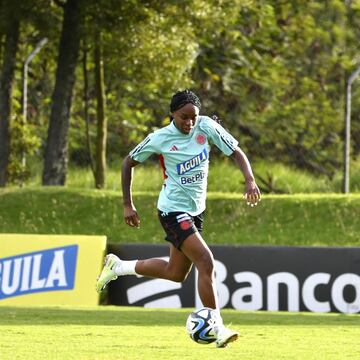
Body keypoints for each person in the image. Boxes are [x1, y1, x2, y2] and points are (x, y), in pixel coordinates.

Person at [96, 89, 261, 348]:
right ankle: (217, 328)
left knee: (175, 273)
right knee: (206, 261)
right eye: (184, 117)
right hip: (172, 211)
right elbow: (128, 162)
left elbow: (237, 152)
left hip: (196, 211)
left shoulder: (206, 127)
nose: (190, 123)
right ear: (173, 114)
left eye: (193, 117)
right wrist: (128, 205)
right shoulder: (159, 138)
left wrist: (250, 180)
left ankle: (118, 267)